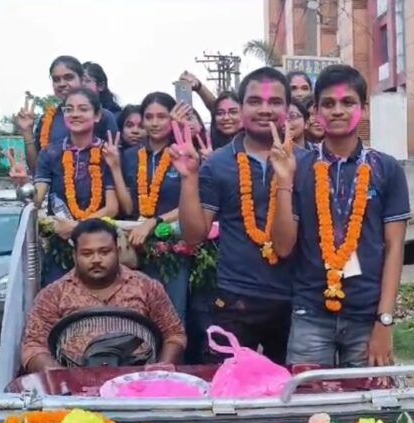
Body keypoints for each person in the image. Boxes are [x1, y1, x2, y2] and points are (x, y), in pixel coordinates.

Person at [270, 64, 411, 368]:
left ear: (364, 109)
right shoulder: (298, 166)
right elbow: (282, 247)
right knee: (307, 397)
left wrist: (385, 320)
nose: (337, 111)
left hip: (367, 315)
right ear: (316, 112)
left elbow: (394, 248)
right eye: (328, 104)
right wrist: (283, 180)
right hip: (310, 314)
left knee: (368, 398)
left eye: (348, 102)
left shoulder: (386, 169)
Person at [171, 67, 293, 364]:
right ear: (241, 108)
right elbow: (194, 236)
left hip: (295, 299)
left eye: (275, 102)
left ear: (288, 109)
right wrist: (189, 178)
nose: (265, 109)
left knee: (292, 387)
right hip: (236, 297)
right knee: (229, 384)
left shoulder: (305, 162)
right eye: (255, 101)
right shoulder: (219, 163)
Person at [21, 219, 186, 373]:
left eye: (104, 252)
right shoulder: (53, 294)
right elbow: (34, 346)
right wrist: (57, 375)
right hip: (74, 379)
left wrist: (160, 370)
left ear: (118, 251)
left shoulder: (147, 287)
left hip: (138, 379)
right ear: (75, 256)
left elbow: (174, 334)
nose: (96, 260)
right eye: (87, 253)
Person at [106, 92, 204, 321]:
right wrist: (116, 168)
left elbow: (192, 204)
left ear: (172, 119)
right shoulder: (131, 156)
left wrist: (155, 222)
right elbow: (128, 207)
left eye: (162, 116)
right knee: (136, 315)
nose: (155, 123)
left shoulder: (184, 154)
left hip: (174, 248)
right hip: (135, 247)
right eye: (149, 117)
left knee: (172, 316)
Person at [33, 88, 119, 285]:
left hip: (98, 245)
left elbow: (112, 208)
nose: (75, 114)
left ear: (97, 115)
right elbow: (38, 199)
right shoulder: (50, 152)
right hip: (60, 242)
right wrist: (21, 184)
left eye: (83, 109)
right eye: (69, 109)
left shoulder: (108, 153)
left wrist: (78, 227)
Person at [18, 56, 119, 172]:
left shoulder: (103, 117)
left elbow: (115, 165)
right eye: (56, 79)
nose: (62, 84)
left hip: (96, 182)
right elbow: (36, 170)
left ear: (82, 79)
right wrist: (27, 132)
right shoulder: (47, 120)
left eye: (69, 77)